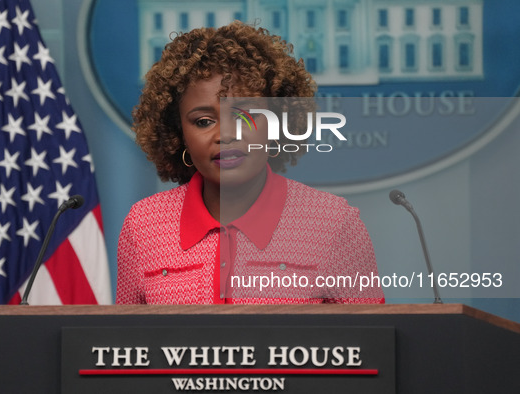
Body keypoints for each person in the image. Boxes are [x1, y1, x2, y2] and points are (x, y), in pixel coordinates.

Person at [116, 21, 384, 304]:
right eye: (203, 121)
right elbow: (127, 344)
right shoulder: (144, 225)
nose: (226, 135)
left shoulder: (333, 223)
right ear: (178, 133)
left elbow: (372, 344)